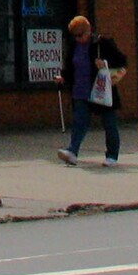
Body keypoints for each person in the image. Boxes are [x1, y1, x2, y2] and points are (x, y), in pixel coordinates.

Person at [55, 14, 128, 166]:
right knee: (79, 121)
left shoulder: (102, 43)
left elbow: (122, 60)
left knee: (109, 123)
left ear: (89, 31)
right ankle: (72, 151)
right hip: (80, 89)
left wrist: (105, 63)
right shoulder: (74, 46)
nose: (77, 39)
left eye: (80, 35)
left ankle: (112, 155)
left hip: (101, 89)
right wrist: (63, 77)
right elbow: (70, 67)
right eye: (74, 36)